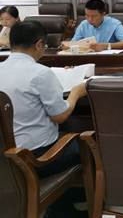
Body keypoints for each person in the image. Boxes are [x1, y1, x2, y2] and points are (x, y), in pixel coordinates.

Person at [0, 21, 88, 216]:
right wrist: (75, 93)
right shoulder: (40, 73)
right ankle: (67, 209)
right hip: (32, 159)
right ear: (39, 44)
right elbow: (60, 116)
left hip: (4, 159)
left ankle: (63, 207)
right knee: (84, 144)